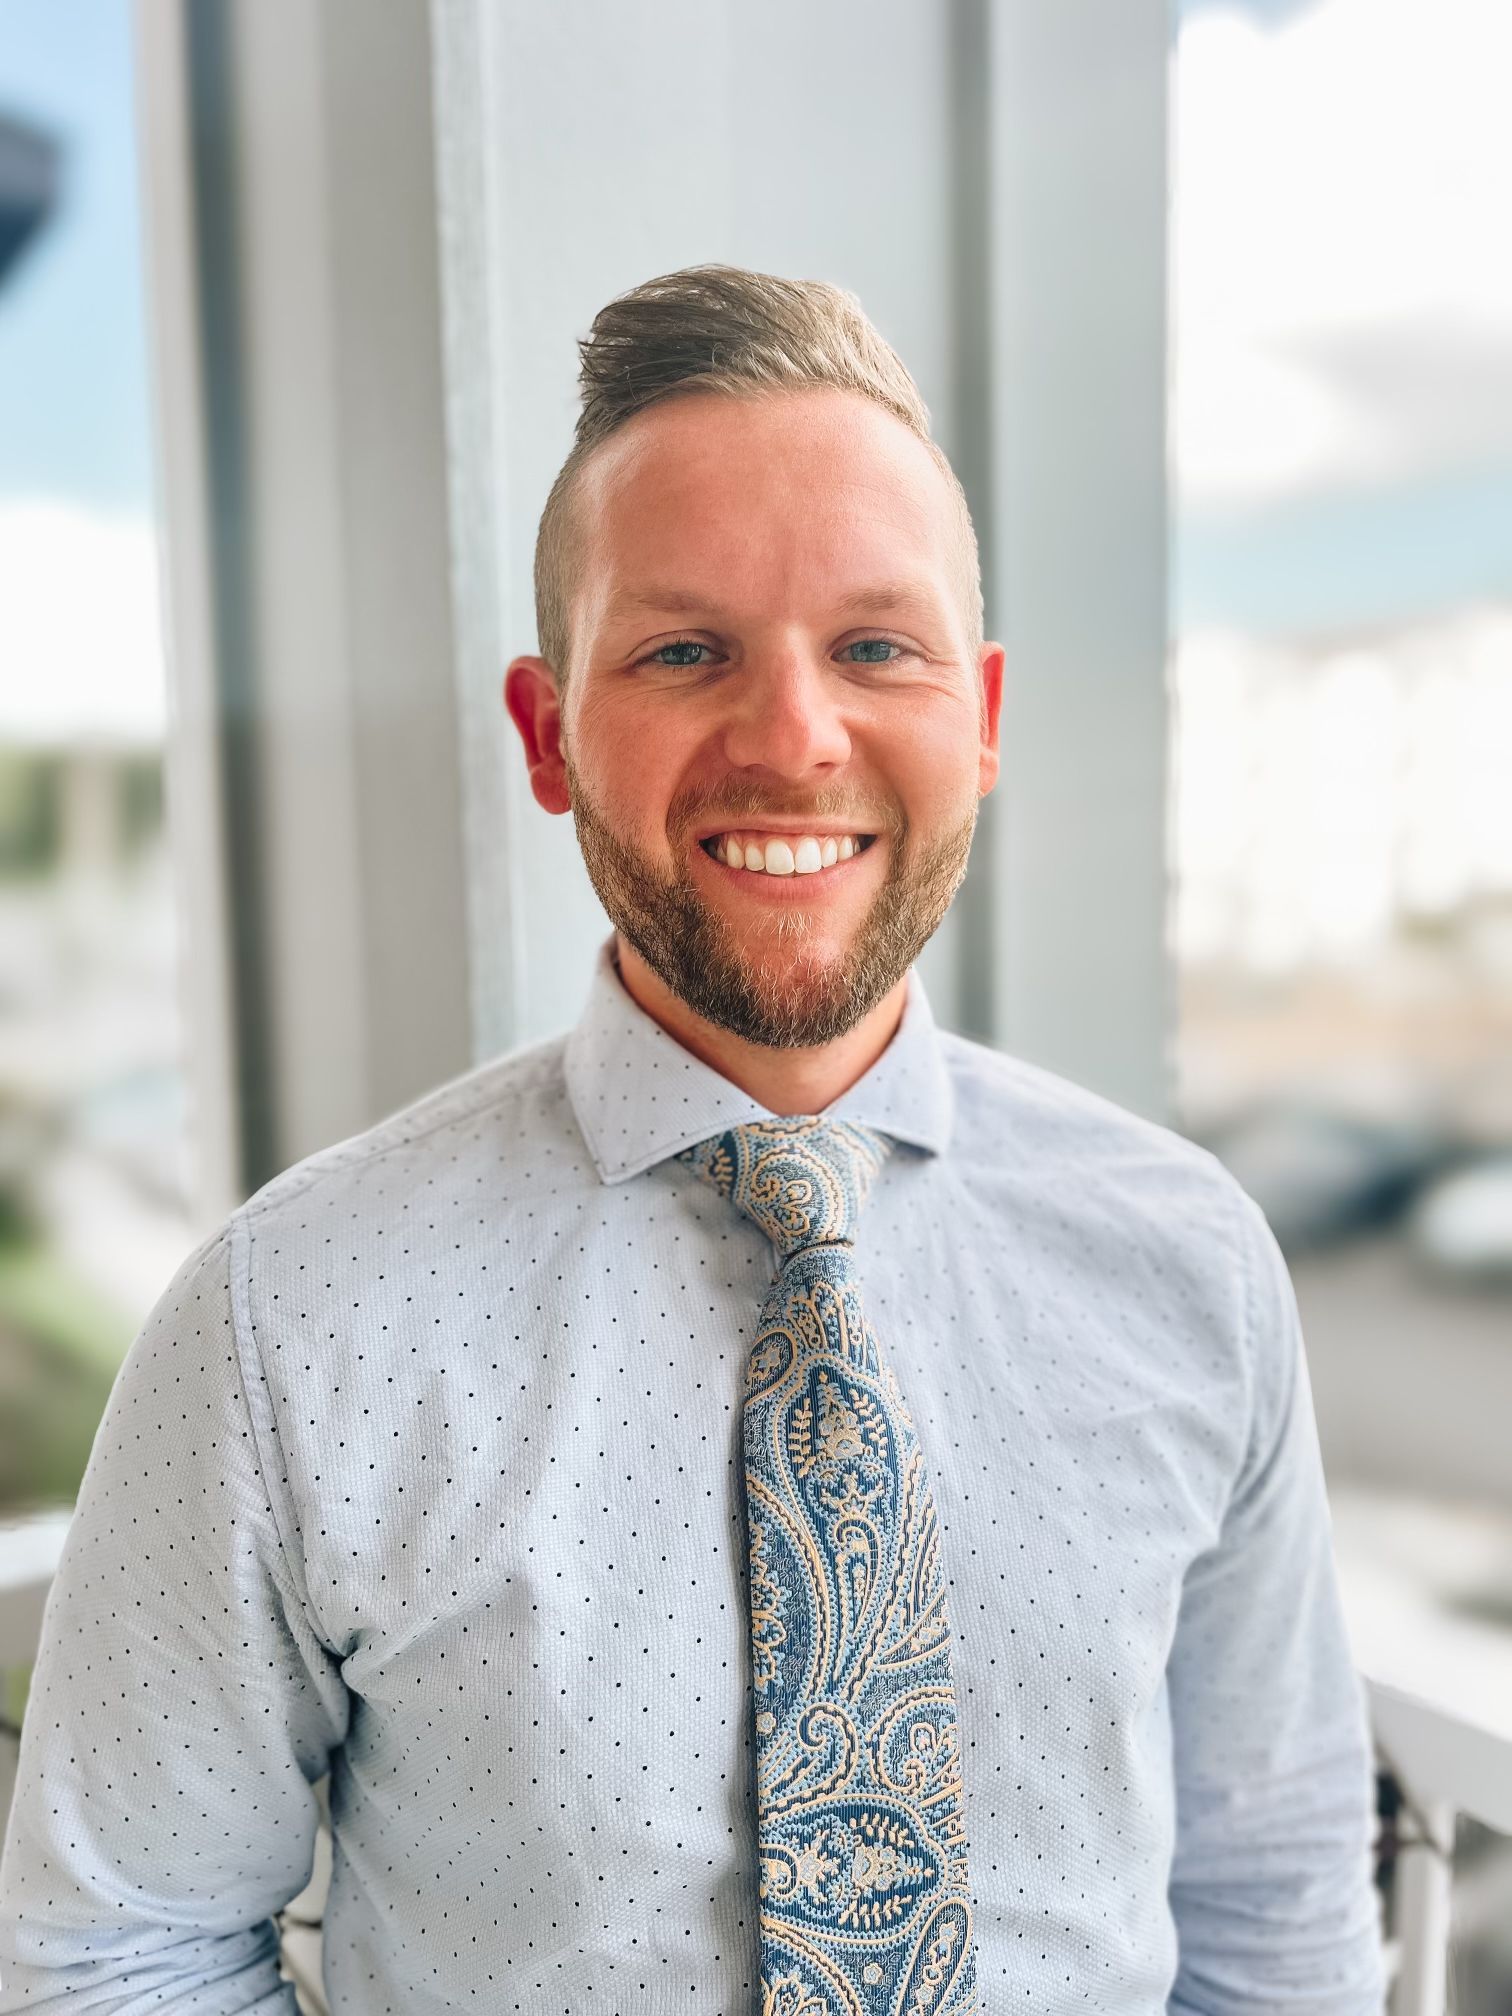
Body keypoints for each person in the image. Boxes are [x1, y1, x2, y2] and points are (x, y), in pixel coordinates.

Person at [0, 264, 1385, 2014]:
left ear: (987, 718)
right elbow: (118, 1950)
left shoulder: (1195, 1266)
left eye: (878, 647)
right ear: (549, 731)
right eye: (681, 651)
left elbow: (1270, 1915)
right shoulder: (289, 1321)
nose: (793, 736)